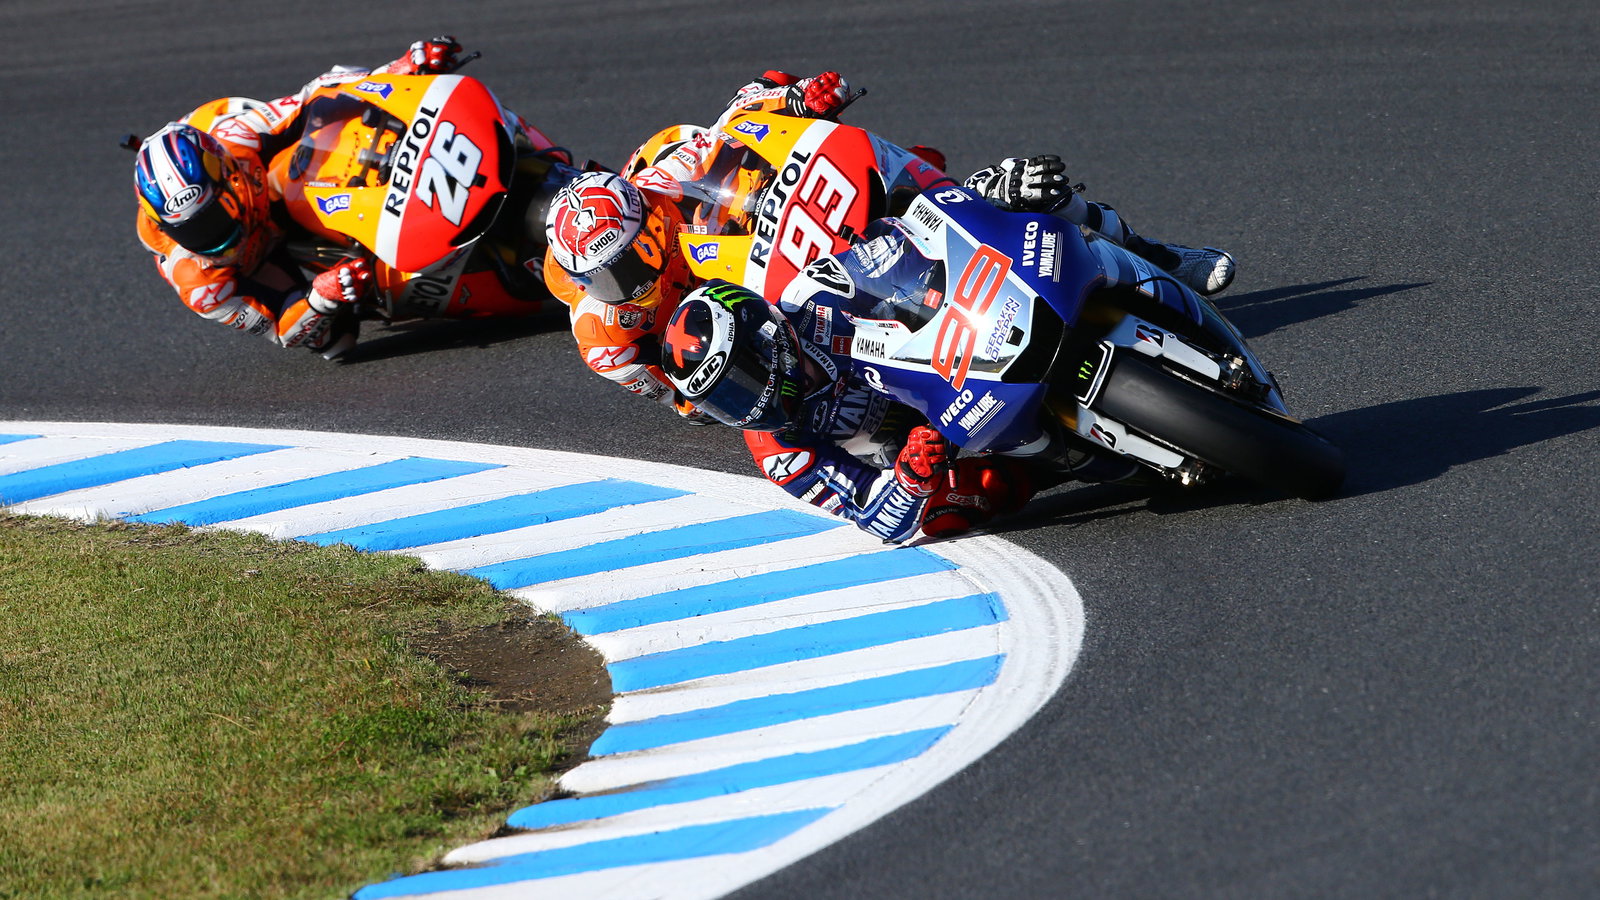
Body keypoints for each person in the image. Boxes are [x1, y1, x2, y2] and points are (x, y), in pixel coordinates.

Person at [541, 70, 950, 417]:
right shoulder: (604, 339)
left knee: (780, 101)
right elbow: (686, 404)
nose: (623, 288)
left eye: (626, 265)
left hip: (735, 230)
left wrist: (797, 98)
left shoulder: (666, 180)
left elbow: (738, 116)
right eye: (603, 280)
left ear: (650, 227)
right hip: (718, 324)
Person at [133, 36, 571, 357]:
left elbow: (323, 92)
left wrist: (400, 69)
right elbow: (281, 329)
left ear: (230, 177)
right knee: (337, 340)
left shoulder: (235, 133)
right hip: (285, 264)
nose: (216, 239)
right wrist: (322, 296)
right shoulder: (201, 283)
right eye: (195, 232)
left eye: (214, 219)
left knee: (345, 126)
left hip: (296, 184)